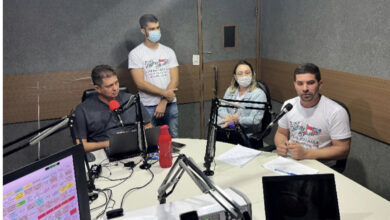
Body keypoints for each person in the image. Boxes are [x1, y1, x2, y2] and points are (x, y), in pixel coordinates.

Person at [274, 63, 351, 167]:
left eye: (310, 83)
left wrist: (306, 154)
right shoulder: (289, 105)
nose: (305, 88)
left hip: (320, 166)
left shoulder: (336, 112)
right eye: (300, 83)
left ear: (320, 84)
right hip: (291, 161)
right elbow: (281, 133)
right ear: (294, 85)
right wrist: (281, 145)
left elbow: (343, 150)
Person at [74, 65, 152, 152]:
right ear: (97, 88)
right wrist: (110, 143)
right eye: (109, 86)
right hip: (104, 152)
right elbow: (81, 146)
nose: (115, 88)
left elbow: (148, 125)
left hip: (136, 147)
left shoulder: (132, 99)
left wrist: (134, 137)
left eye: (116, 83)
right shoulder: (83, 110)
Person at [128, 14, 179, 138]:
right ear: (143, 31)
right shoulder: (135, 54)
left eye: (157, 27)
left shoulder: (168, 51)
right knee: (150, 142)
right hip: (147, 106)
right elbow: (140, 83)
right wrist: (165, 93)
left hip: (170, 104)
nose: (156, 31)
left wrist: (164, 100)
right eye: (151, 29)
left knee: (173, 139)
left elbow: (175, 79)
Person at [217, 60, 267, 148]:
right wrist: (230, 120)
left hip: (245, 135)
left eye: (247, 73)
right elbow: (221, 108)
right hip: (229, 130)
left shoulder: (259, 94)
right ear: (235, 77)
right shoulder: (230, 90)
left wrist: (238, 120)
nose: (244, 76)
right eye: (240, 73)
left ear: (252, 75)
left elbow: (255, 120)